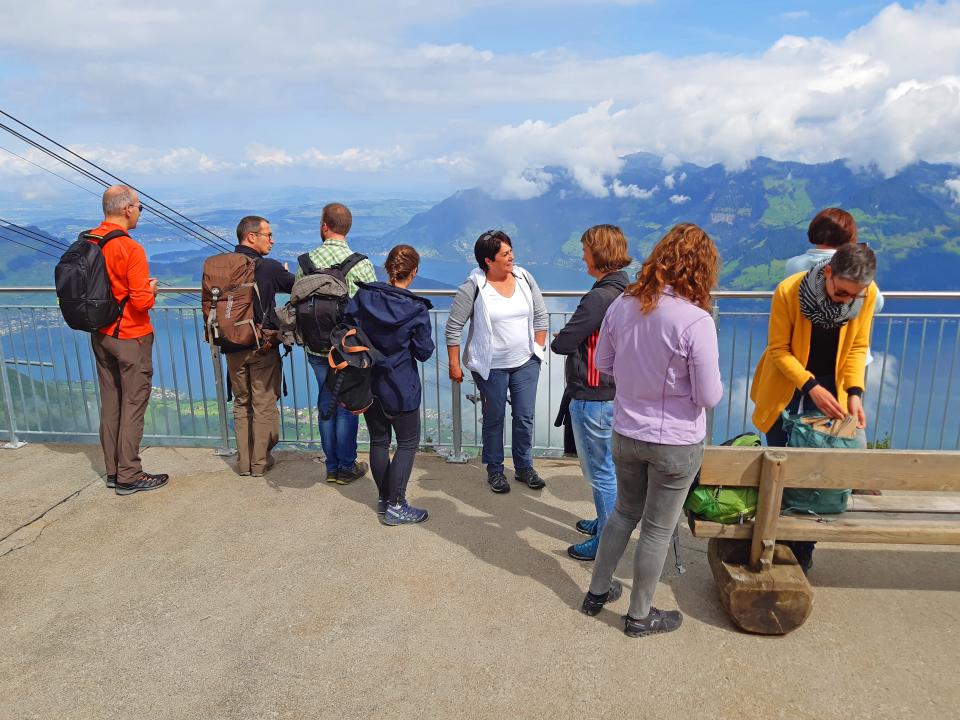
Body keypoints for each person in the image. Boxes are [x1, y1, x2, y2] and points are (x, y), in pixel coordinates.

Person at [581, 223, 723, 638]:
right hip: (676, 442)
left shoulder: (622, 305)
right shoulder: (696, 321)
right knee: (658, 529)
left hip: (626, 431)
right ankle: (640, 616)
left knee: (623, 514)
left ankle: (596, 593)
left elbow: (604, 364)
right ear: (702, 270)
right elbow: (709, 396)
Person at [751, 242, 879, 571]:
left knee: (816, 478)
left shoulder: (865, 294)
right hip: (788, 390)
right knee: (782, 474)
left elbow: (857, 348)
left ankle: (802, 550)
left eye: (854, 295)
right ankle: (772, 544)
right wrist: (811, 386)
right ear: (827, 273)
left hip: (832, 392)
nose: (847, 301)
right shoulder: (789, 291)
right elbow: (779, 351)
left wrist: (853, 392)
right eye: (841, 292)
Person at [446, 230, 549, 494]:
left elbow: (541, 315)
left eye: (510, 251)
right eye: (505, 254)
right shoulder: (473, 288)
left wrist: (538, 348)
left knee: (524, 416)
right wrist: (454, 365)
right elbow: (453, 328)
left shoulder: (524, 277)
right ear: (488, 261)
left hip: (526, 361)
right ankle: (495, 470)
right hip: (490, 366)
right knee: (494, 417)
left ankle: (524, 467)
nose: (512, 257)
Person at [551, 224, 630, 561]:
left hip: (593, 394)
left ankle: (606, 541)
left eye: (585, 249)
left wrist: (562, 335)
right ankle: (604, 522)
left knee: (601, 473)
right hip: (616, 391)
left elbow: (564, 343)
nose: (582, 254)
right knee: (609, 468)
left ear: (597, 254)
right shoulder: (629, 289)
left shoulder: (598, 297)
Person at [344, 245, 435, 525]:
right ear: (415, 271)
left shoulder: (364, 295)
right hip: (400, 384)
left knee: (379, 441)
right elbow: (423, 351)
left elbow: (349, 327)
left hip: (368, 381)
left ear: (387, 267)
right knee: (407, 443)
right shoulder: (416, 309)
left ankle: (385, 499)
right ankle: (396, 504)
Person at [88, 185, 168, 495]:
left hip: (101, 333)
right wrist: (152, 290)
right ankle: (130, 474)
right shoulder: (129, 248)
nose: (139, 212)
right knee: (134, 405)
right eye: (139, 207)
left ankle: (113, 471)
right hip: (131, 336)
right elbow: (140, 302)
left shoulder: (91, 240)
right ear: (126, 209)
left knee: (111, 404)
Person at [299, 203, 377, 484]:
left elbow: (297, 303)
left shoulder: (305, 262)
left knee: (325, 400)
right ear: (348, 227)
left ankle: (331, 467)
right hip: (347, 351)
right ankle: (346, 466)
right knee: (346, 404)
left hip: (315, 348)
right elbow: (372, 307)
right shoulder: (362, 264)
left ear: (324, 226)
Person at [223, 216, 295, 477]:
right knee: (263, 402)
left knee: (242, 403)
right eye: (268, 235)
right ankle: (260, 462)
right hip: (261, 345)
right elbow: (298, 287)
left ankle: (244, 463)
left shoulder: (222, 265)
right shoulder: (268, 267)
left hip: (231, 345)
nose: (272, 240)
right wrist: (283, 273)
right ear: (251, 237)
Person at [784, 208, 884, 365]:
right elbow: (876, 304)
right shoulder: (853, 268)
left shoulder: (793, 265)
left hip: (804, 352)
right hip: (849, 355)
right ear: (850, 237)